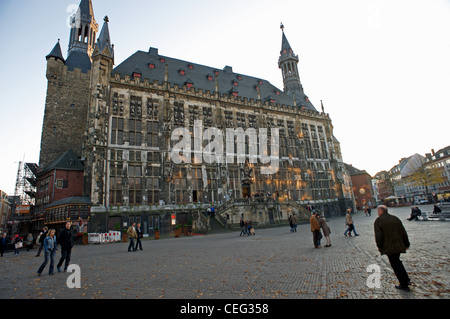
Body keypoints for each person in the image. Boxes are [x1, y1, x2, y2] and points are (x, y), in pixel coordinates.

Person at [374, 205, 411, 291]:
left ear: (381, 211)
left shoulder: (379, 221)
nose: (377, 213)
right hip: (398, 244)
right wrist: (406, 243)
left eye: (378, 211)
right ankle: (406, 279)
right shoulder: (395, 218)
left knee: (395, 264)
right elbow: (403, 232)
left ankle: (403, 283)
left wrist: (379, 246)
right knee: (398, 262)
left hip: (389, 246)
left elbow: (379, 236)